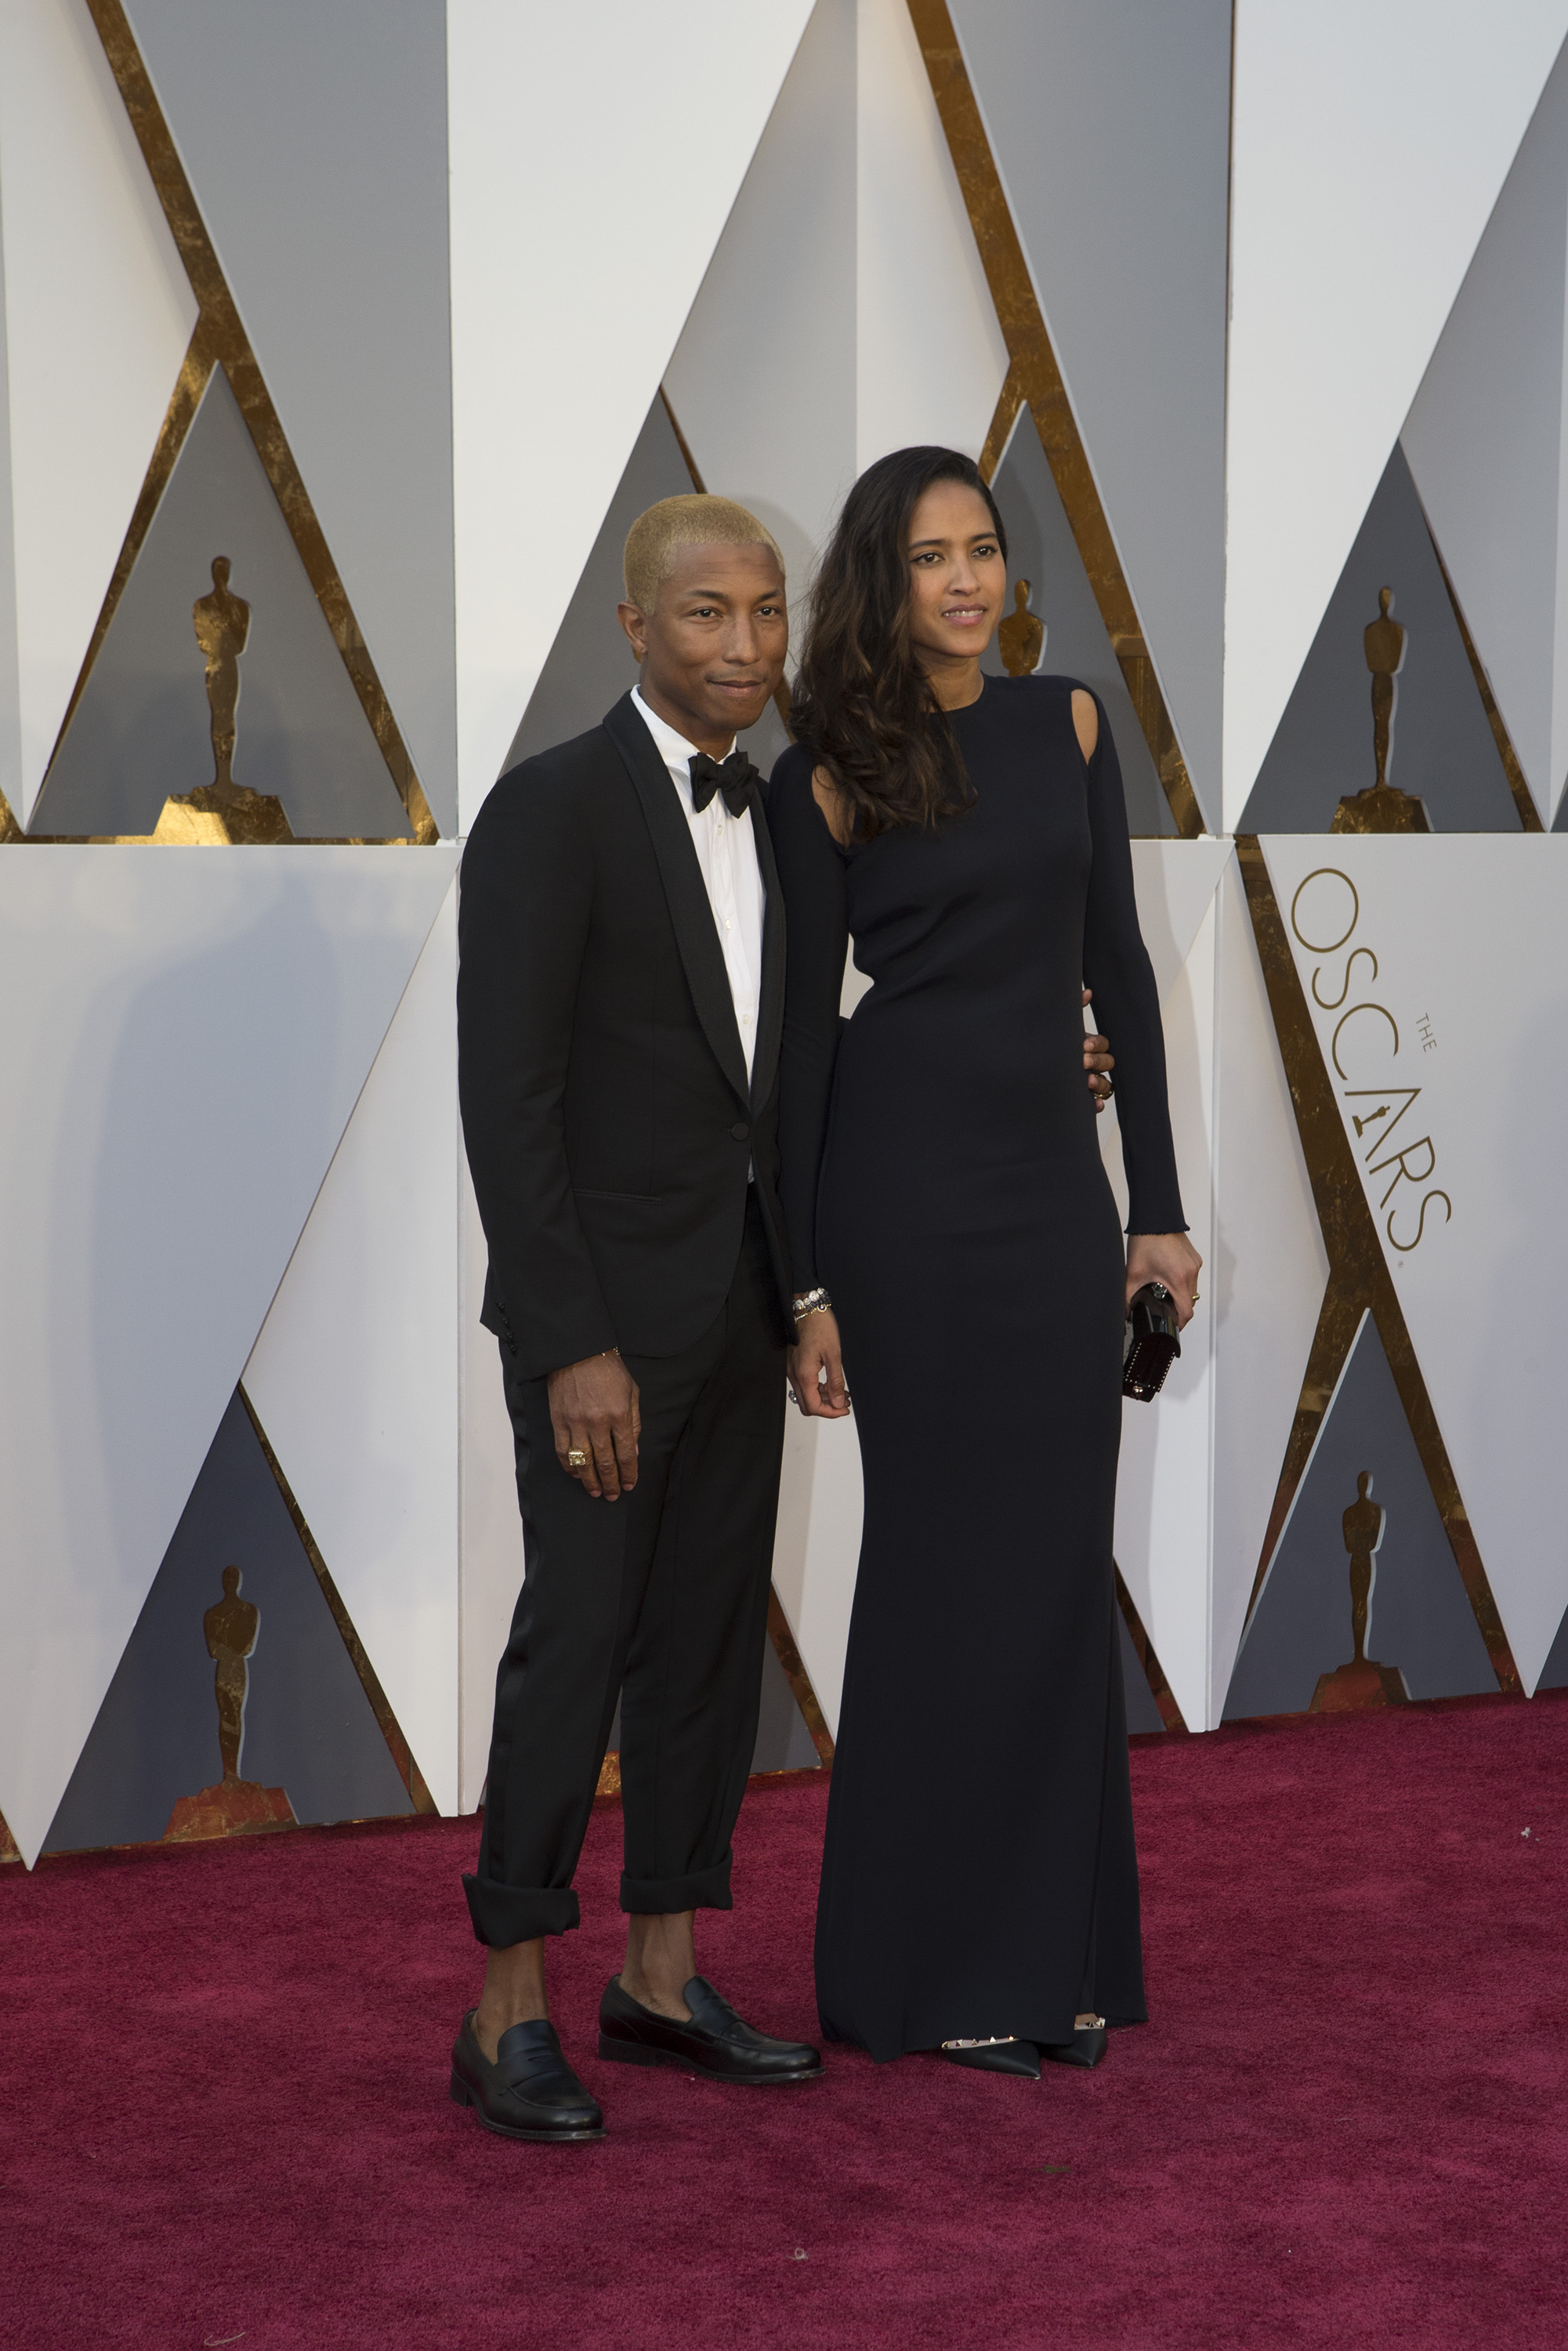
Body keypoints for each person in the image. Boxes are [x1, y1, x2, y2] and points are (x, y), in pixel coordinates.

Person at [770, 445, 1201, 2078]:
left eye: (982, 549)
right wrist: (802, 1281)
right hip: (901, 1200)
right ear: (879, 584)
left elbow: (1119, 970)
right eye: (927, 557)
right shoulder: (825, 767)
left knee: (1052, 1568)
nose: (963, 580)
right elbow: (800, 1041)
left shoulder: (1068, 721)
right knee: (938, 1572)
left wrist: (1155, 1205)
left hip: (1048, 1200)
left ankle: (1049, 1959)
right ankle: (922, 1976)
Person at [451, 494, 826, 2142]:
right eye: (705, 613)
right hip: (602, 1328)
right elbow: (507, 1101)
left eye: (765, 611)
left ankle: (661, 1978)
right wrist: (567, 1342)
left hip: (743, 1306)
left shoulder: (786, 811)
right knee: (578, 1641)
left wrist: (807, 1290)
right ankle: (505, 2008)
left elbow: (787, 1082)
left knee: (704, 1647)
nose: (743, 644)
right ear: (633, 625)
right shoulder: (550, 809)